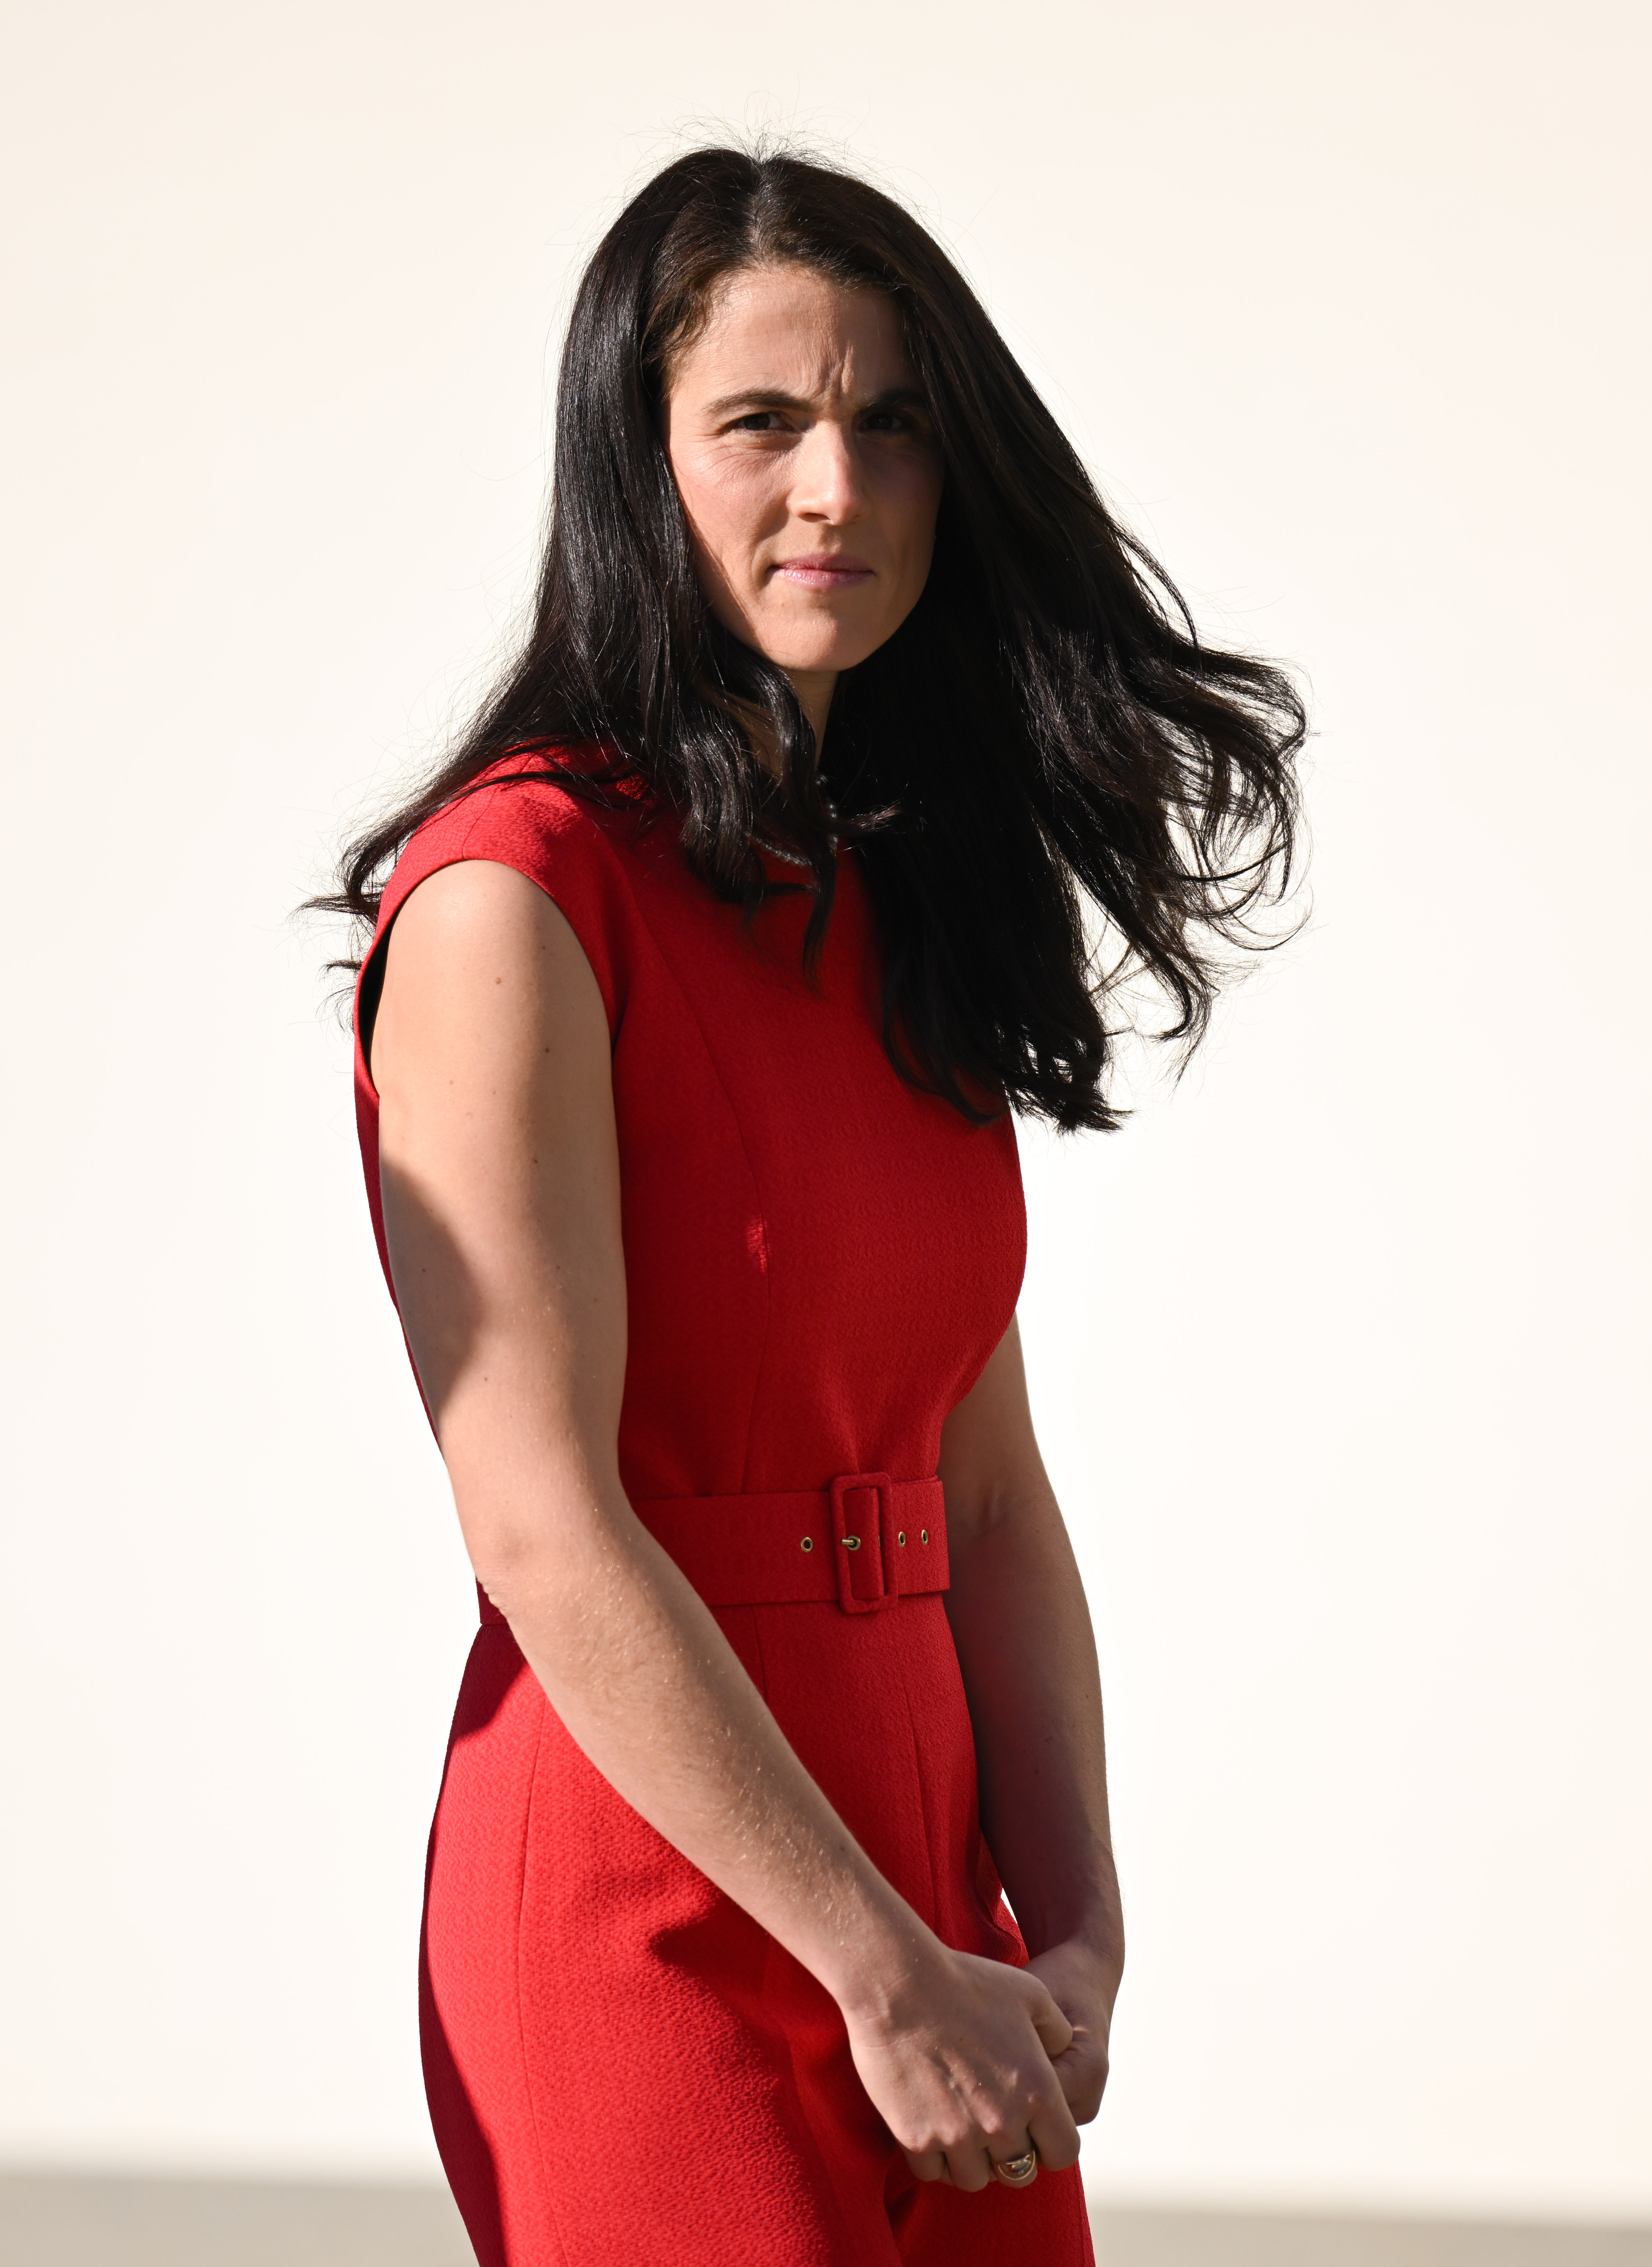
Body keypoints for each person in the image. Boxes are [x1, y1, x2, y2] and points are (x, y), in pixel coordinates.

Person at [326, 144, 1303, 2267]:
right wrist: (873, 1969)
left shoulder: (897, 903)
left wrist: (1079, 1937)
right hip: (647, 1911)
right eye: (760, 424)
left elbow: (983, 1490)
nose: (837, 490)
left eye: (892, 424)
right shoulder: (514, 899)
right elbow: (537, 1521)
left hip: (940, 1927)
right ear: (632, 461)